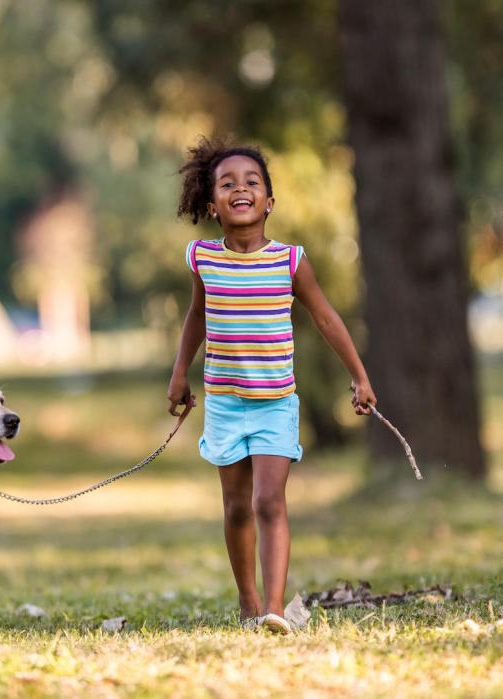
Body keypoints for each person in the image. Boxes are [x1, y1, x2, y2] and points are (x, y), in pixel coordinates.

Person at [166, 136, 377, 634]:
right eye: (227, 183)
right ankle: (248, 601)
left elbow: (325, 318)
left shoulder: (289, 261)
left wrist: (359, 376)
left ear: (269, 202)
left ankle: (274, 611)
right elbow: (198, 315)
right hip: (222, 401)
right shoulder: (203, 259)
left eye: (252, 181)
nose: (241, 188)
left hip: (275, 402)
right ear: (212, 203)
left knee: (268, 501)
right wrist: (179, 373)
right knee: (237, 506)